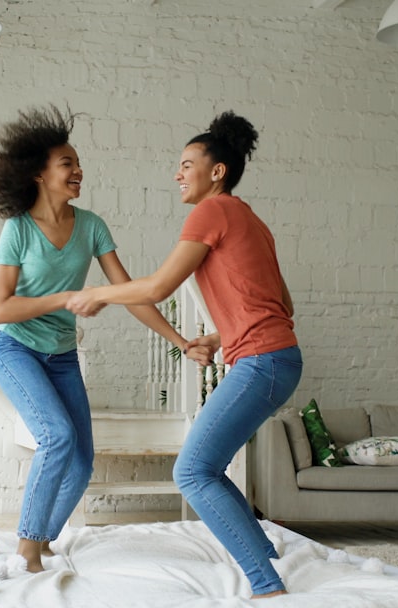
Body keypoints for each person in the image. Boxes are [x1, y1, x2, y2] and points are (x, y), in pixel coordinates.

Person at [65, 111, 301, 598]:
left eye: (186, 163)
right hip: (276, 358)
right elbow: (282, 303)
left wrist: (99, 294)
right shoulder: (251, 219)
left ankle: (267, 585)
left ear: (218, 172)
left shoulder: (211, 211)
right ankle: (268, 557)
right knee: (207, 467)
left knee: (191, 471)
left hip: (262, 361)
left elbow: (159, 285)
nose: (177, 173)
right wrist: (221, 338)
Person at [0, 105, 197, 573]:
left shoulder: (91, 226)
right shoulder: (17, 229)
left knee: (80, 462)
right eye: (67, 164)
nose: (78, 171)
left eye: (78, 164)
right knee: (56, 437)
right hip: (16, 349)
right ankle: (27, 552)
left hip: (60, 356)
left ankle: (45, 539)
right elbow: (0, 308)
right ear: (39, 173)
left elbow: (130, 293)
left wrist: (180, 341)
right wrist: (67, 298)